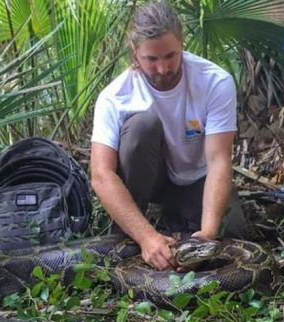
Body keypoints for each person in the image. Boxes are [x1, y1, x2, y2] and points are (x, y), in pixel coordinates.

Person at [90, 1, 246, 271]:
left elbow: (220, 161)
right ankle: (130, 232)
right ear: (134, 53)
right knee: (141, 127)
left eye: (171, 56)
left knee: (233, 232)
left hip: (196, 179)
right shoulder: (114, 97)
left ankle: (178, 220)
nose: (162, 69)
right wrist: (146, 237)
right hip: (151, 183)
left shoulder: (214, 82)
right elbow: (101, 175)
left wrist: (207, 235)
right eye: (151, 59)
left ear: (182, 43)